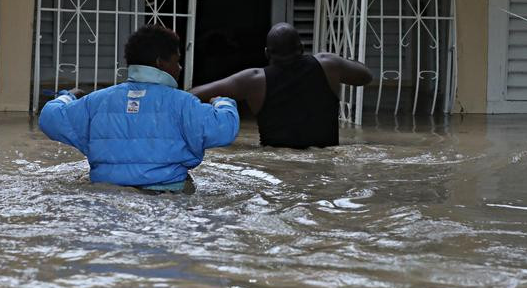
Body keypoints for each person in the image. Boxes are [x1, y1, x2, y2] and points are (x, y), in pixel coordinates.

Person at [39, 25, 240, 193]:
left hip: (105, 192)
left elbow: (49, 117)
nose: (180, 68)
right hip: (167, 195)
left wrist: (67, 96)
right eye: (177, 60)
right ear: (160, 63)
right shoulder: (184, 103)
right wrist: (223, 102)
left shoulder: (95, 101)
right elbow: (225, 129)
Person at [190, 22, 373, 149]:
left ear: (266, 53)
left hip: (278, 164)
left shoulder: (254, 80)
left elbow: (194, 95)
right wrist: (339, 61)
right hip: (325, 161)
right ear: (302, 48)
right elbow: (366, 76)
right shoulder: (329, 65)